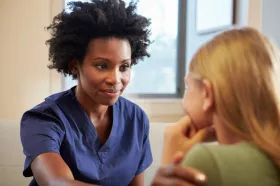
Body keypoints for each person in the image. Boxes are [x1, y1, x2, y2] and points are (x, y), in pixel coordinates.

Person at [20, 0, 207, 186]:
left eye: (124, 66)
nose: (116, 79)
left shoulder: (136, 119)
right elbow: (56, 183)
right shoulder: (43, 119)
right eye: (102, 66)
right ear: (75, 66)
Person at [162, 27, 280, 186]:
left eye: (188, 87)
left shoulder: (206, 161)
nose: (183, 104)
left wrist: (170, 164)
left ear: (207, 94)